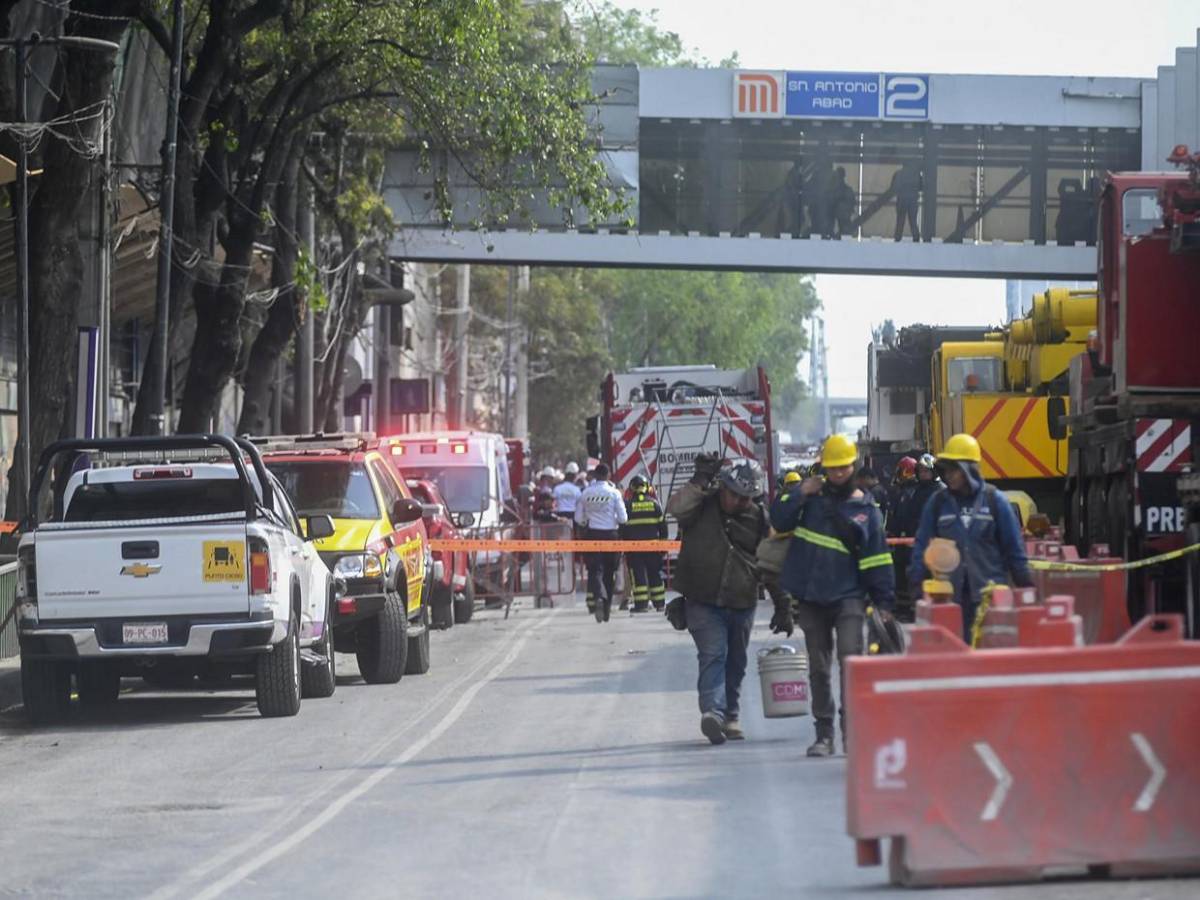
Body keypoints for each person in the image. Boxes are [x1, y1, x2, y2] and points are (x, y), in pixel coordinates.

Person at [771, 434, 895, 757]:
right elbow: (777, 518)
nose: (838, 474)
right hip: (812, 597)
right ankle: (823, 734)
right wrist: (799, 492)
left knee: (850, 665)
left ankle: (851, 734)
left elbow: (878, 560)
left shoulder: (866, 510)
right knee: (819, 668)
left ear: (852, 466)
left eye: (843, 468)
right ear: (824, 469)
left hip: (849, 598)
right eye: (832, 469)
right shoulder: (810, 500)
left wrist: (884, 604)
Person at [667, 455, 773, 745]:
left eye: (746, 498)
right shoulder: (700, 506)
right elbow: (675, 508)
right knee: (714, 655)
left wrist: (784, 605)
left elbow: (771, 561)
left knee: (736, 661)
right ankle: (713, 712)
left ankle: (731, 716)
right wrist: (699, 480)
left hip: (742, 601)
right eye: (735, 495)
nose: (740, 502)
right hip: (702, 599)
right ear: (723, 487)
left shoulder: (760, 518)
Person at [908, 434, 1033, 642]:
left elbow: (1014, 549)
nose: (949, 476)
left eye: (954, 469)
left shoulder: (995, 502)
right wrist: (916, 582)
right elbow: (922, 544)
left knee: (990, 659)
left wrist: (1026, 586)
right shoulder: (938, 503)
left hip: (990, 599)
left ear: (970, 469)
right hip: (949, 599)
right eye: (946, 470)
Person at [574, 463, 627, 623]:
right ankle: (606, 609)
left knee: (595, 570)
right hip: (611, 535)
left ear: (595, 475)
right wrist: (613, 520)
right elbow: (624, 518)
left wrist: (587, 521)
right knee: (609, 572)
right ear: (608, 475)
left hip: (592, 535)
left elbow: (578, 518)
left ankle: (600, 596)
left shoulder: (586, 493)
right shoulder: (614, 493)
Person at [621, 474, 669, 613]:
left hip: (634, 550)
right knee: (655, 575)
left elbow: (623, 529)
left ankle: (641, 605)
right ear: (647, 487)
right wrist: (663, 547)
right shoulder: (655, 504)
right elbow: (663, 528)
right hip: (653, 548)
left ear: (632, 488)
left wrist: (623, 547)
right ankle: (660, 604)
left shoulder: (628, 506)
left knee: (638, 576)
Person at [891, 160, 922, 241]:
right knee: (913, 221)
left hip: (901, 200)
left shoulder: (898, 174)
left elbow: (893, 187)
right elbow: (921, 187)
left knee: (900, 221)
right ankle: (916, 238)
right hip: (913, 201)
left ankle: (897, 238)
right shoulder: (916, 174)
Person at [830, 166, 856, 239]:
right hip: (835, 220)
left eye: (839, 176)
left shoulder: (847, 190)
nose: (838, 178)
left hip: (844, 220)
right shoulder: (833, 190)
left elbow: (852, 204)